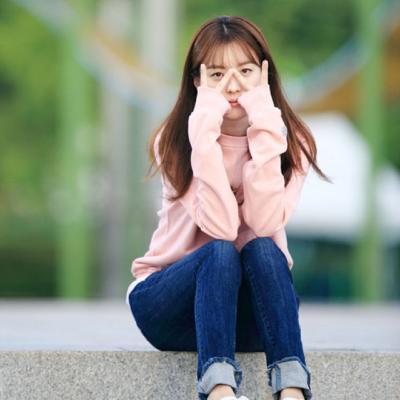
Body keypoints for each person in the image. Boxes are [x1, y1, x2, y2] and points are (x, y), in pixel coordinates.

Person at [126, 15, 331, 400]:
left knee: (263, 248)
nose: (233, 86)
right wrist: (203, 137)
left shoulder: (294, 143)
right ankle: (219, 391)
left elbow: (264, 223)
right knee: (220, 252)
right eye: (217, 74)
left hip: (251, 315)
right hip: (170, 307)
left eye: (246, 71)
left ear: (265, 75)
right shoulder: (175, 142)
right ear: (197, 82)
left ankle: (292, 390)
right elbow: (220, 229)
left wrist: (265, 129)